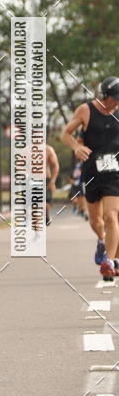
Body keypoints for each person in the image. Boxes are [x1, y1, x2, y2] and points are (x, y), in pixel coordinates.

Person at [62, 76, 119, 278]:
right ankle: (103, 241)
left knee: (111, 216)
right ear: (104, 95)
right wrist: (77, 147)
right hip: (92, 172)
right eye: (114, 98)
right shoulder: (86, 110)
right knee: (96, 221)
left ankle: (110, 262)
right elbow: (66, 134)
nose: (116, 102)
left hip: (115, 172)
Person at [45, 144, 59, 226]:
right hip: (31, 180)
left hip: (45, 180)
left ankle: (46, 215)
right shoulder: (26, 150)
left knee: (46, 203)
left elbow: (55, 166)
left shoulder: (48, 150)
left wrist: (53, 181)